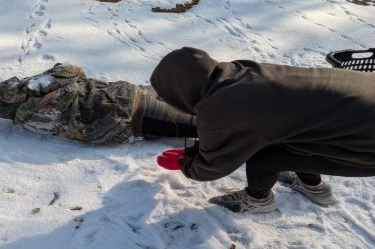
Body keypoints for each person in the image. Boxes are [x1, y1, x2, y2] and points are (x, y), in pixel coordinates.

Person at [151, 47, 375, 213]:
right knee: (285, 130)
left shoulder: (223, 108)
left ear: (178, 92)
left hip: (367, 144)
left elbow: (211, 168)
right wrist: (195, 151)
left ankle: (258, 200)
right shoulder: (238, 73)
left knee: (262, 156)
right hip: (364, 96)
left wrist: (186, 164)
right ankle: (314, 187)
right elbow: (246, 127)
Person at [0, 63, 197, 145]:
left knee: (203, 99)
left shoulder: (36, 93)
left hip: (129, 95)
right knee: (204, 125)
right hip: (130, 113)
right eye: (11, 90)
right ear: (8, 102)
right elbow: (70, 81)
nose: (20, 84)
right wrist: (43, 83)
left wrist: (40, 83)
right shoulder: (32, 113)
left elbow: (73, 71)